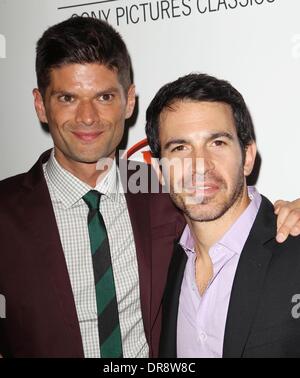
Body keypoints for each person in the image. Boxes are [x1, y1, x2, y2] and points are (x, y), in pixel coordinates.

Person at [0, 17, 299, 359]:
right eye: (68, 97)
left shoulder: (161, 191)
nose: (87, 117)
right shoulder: (4, 214)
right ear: (40, 104)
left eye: (104, 96)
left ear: (128, 102)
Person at [145, 73, 300, 358]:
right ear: (159, 172)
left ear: (248, 157)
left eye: (217, 143)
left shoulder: (295, 248)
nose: (200, 165)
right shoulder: (159, 262)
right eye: (180, 148)